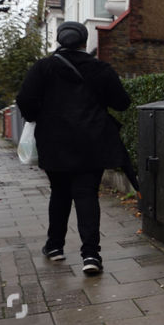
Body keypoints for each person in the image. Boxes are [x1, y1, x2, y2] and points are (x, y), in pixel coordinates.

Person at [15, 21, 131, 275]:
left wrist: (39, 115)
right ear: (84, 42)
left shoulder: (43, 68)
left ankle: (55, 246)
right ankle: (91, 256)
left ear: (59, 40)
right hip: (92, 142)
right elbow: (122, 103)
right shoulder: (100, 69)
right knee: (86, 194)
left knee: (59, 192)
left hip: (53, 143)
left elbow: (24, 100)